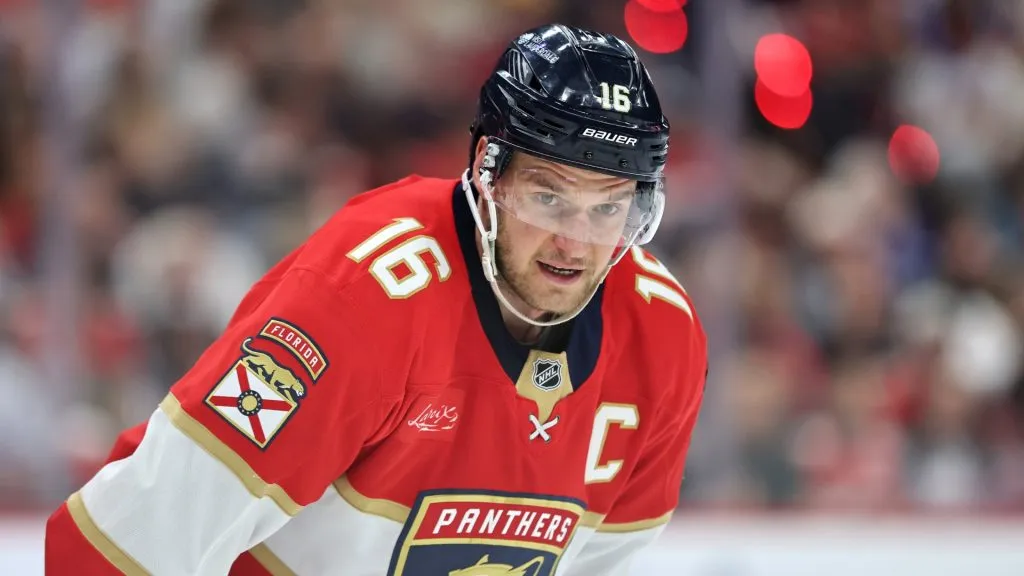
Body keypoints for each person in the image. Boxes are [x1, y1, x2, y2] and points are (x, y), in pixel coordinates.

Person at [44, 23, 707, 576]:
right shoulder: (363, 299)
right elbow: (123, 548)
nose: (575, 240)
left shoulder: (662, 339)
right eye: (548, 195)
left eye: (608, 208)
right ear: (489, 175)